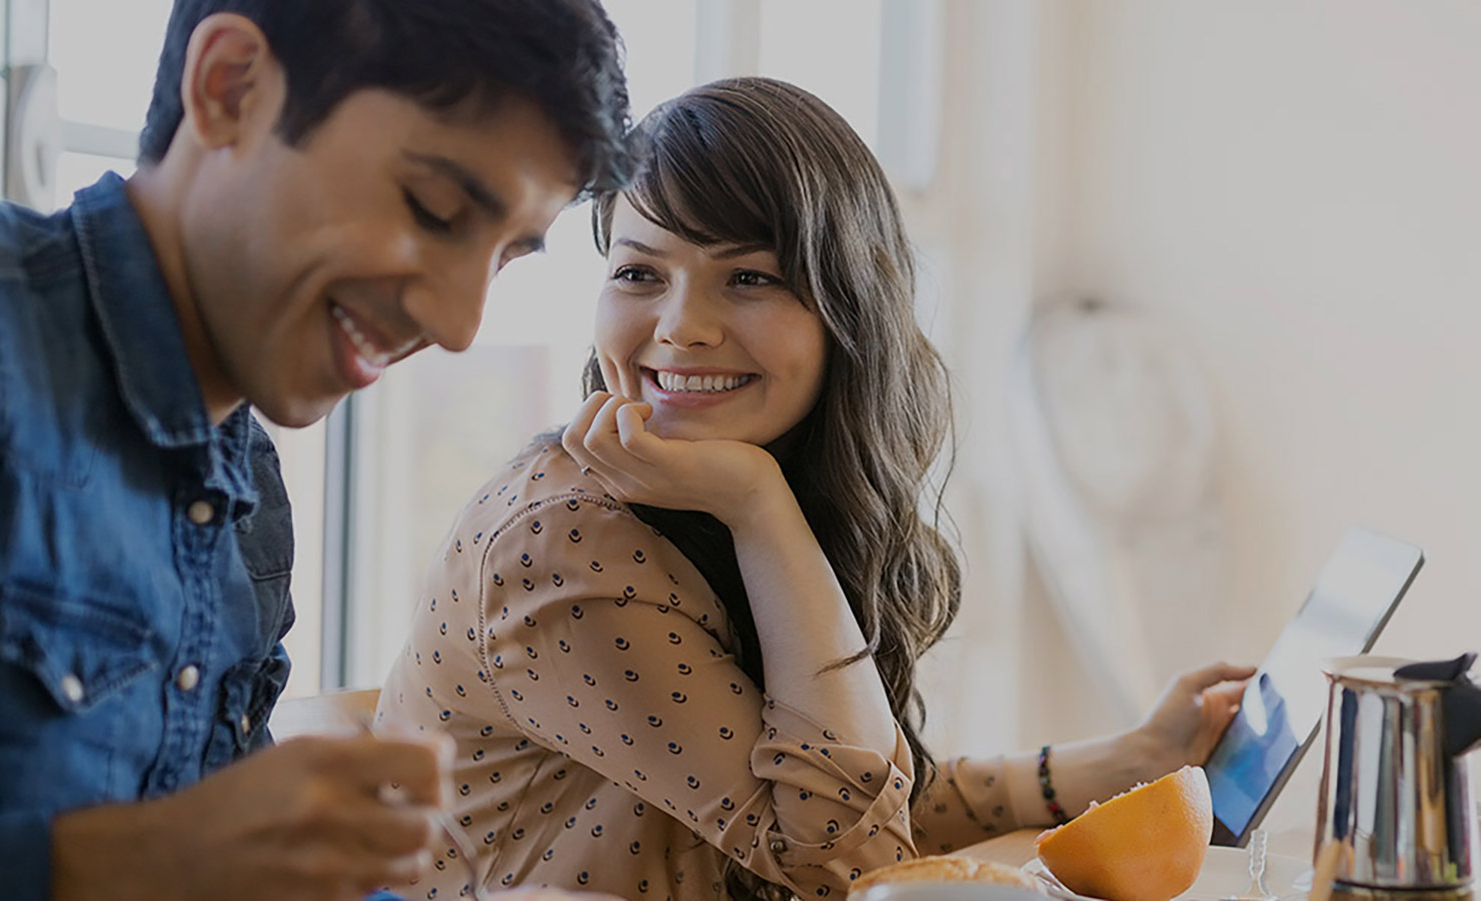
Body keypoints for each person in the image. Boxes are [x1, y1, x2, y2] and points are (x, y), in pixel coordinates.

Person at [376, 76, 1254, 900]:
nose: (681, 327)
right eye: (640, 272)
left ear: (848, 308)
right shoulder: (566, 546)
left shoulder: (706, 493)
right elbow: (846, 865)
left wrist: (1116, 762)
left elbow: (837, 789)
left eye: (749, 277)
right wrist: (760, 509)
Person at [0, 0, 634, 898]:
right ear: (229, 87)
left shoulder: (247, 482)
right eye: (434, 210)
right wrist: (113, 865)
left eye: (508, 254)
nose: (460, 322)